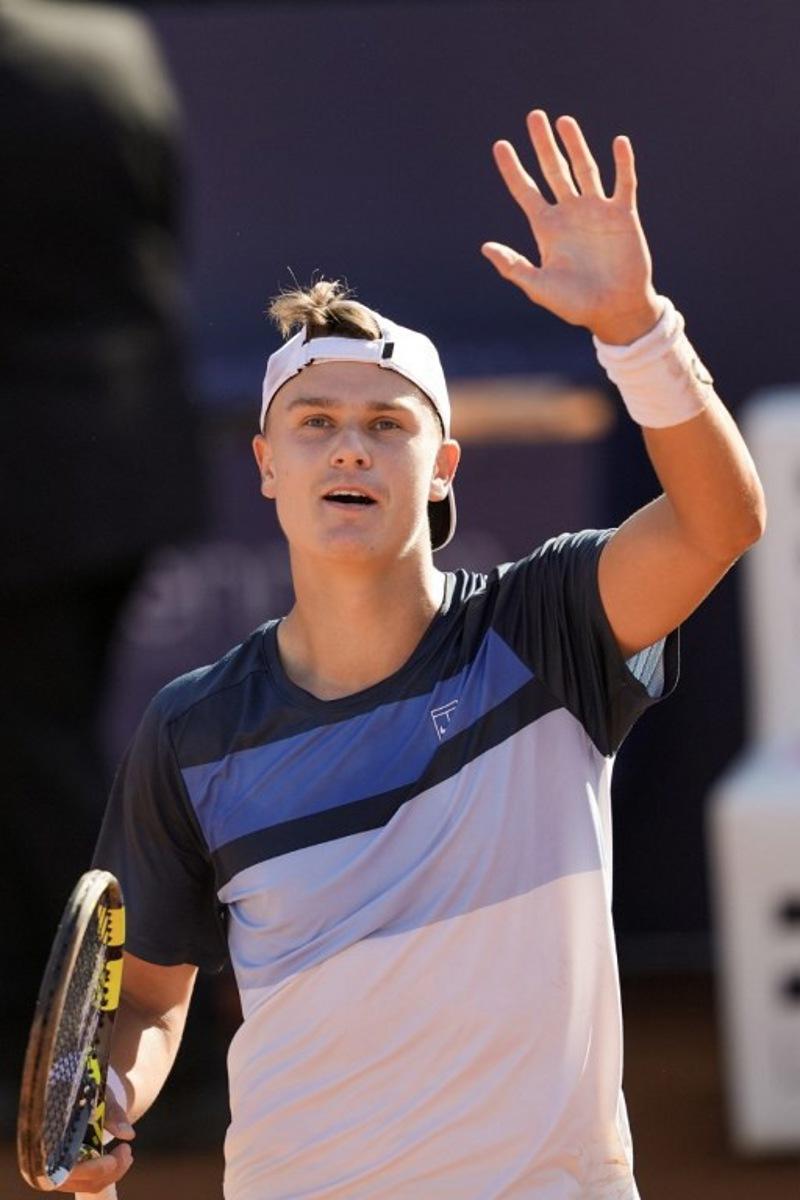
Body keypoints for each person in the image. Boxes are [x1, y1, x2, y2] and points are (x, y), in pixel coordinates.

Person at [70, 110, 764, 1198]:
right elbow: (152, 998)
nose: (349, 442)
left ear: (439, 465)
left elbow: (716, 523)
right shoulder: (192, 729)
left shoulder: (547, 629)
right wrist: (106, 1097)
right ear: (265, 463)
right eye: (314, 422)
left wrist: (636, 332)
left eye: (385, 425)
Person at [0, 0, 202, 1124]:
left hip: (29, 487)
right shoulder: (109, 44)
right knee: (41, 766)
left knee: (41, 782)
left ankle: (142, 1071)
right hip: (126, 456)